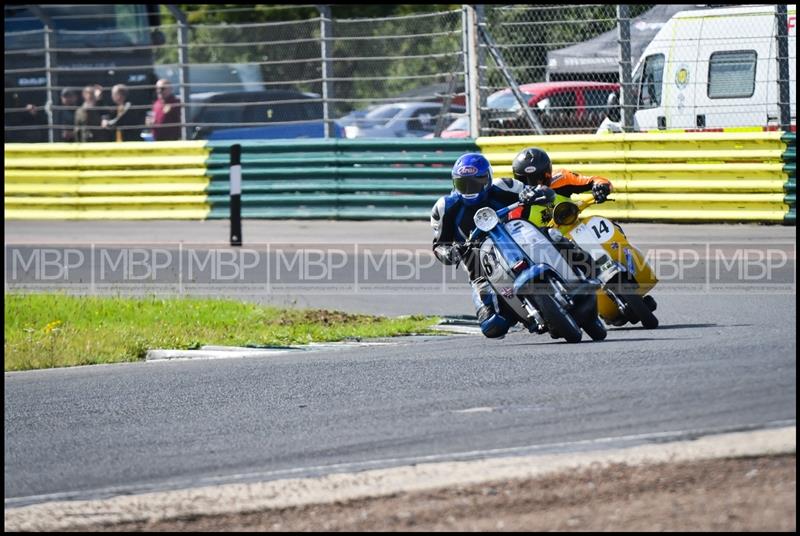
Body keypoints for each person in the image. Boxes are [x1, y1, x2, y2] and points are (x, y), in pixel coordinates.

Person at [431, 153, 553, 339]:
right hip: (480, 268)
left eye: (476, 182)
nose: (470, 189)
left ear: (488, 178)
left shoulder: (505, 186)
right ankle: (515, 312)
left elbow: (537, 191)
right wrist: (450, 252)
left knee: (554, 237)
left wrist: (534, 194)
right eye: (464, 184)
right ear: (454, 183)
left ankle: (576, 275)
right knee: (492, 326)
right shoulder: (445, 207)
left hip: (519, 242)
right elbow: (439, 245)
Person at [510, 147, 613, 227]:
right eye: (525, 180)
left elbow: (596, 180)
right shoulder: (513, 200)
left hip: (573, 233)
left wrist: (601, 187)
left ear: (548, 174)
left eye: (539, 179)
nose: (534, 185)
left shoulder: (561, 178)